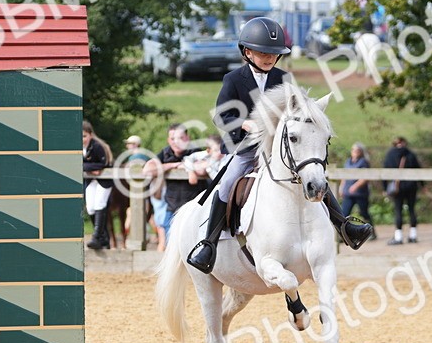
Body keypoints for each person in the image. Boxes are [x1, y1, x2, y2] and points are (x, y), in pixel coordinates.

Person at [187, 17, 373, 273]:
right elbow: (221, 116)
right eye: (263, 53)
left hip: (280, 149)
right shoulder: (233, 79)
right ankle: (209, 244)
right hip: (247, 148)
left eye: (274, 54)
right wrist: (245, 123)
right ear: (247, 52)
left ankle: (345, 226)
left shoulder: (284, 78)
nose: (269, 59)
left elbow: (299, 110)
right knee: (227, 182)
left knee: (314, 176)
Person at [145, 123, 205, 244]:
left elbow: (202, 168)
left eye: (180, 138)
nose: (176, 142)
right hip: (171, 208)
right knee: (170, 246)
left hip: (194, 208)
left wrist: (187, 166)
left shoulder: (195, 151)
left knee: (191, 245)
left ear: (187, 139)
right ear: (168, 140)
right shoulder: (166, 153)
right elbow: (147, 170)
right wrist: (173, 165)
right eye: (172, 139)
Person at [82, 121, 113, 250]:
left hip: (104, 180)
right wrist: (89, 168)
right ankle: (103, 237)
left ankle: (96, 237)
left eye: (84, 136)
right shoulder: (80, 148)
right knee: (90, 208)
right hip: (91, 179)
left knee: (100, 204)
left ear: (90, 135)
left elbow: (103, 165)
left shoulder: (98, 146)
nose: (82, 139)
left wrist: (86, 167)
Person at [384, 136, 421, 245]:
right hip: (411, 186)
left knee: (398, 211)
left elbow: (385, 171)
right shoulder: (410, 154)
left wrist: (385, 187)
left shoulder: (390, 154)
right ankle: (413, 236)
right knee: (411, 210)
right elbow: (418, 170)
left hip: (398, 188)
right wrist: (422, 185)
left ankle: (398, 237)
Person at [340, 142, 374, 235]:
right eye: (353, 150)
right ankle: (344, 234)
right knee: (344, 214)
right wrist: (341, 187)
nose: (355, 152)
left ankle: (371, 232)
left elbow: (365, 177)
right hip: (348, 193)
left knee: (364, 213)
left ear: (361, 152)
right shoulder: (348, 162)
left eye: (357, 150)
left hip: (360, 194)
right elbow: (344, 176)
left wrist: (355, 186)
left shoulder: (363, 162)